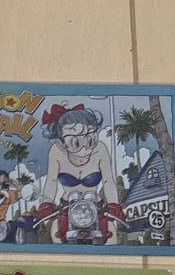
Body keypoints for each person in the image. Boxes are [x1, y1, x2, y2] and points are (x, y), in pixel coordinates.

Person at [36, 103, 122, 243]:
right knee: (56, 236)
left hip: (96, 206)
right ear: (61, 143)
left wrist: (114, 204)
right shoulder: (56, 152)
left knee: (111, 236)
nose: (84, 148)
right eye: (75, 142)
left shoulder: (100, 149)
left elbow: (108, 181)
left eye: (90, 139)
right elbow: (51, 181)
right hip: (67, 206)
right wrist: (46, 204)